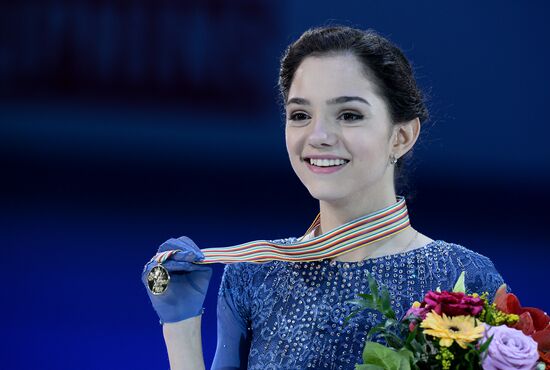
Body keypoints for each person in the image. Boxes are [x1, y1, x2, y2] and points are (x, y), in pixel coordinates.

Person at [141, 25, 509, 370]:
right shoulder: (252, 276)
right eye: (300, 114)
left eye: (348, 115)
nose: (318, 135)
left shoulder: (465, 279)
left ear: (401, 136)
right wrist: (181, 327)